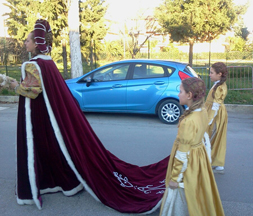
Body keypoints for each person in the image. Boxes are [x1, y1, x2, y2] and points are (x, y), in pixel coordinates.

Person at [10, 19, 171, 213]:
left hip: (40, 118)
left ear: (36, 43)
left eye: (27, 40)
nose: (25, 43)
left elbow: (31, 91)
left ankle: (50, 181)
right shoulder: (48, 62)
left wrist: (9, 84)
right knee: (56, 148)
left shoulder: (34, 65)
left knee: (47, 147)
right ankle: (63, 181)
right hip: (46, 117)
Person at [159, 77, 224, 216]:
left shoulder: (188, 121)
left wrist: (175, 178)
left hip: (189, 161)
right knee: (196, 189)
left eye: (180, 91)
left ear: (189, 95)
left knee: (183, 192)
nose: (178, 94)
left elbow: (182, 154)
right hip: (199, 157)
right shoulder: (202, 111)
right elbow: (203, 137)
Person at [204, 62, 228, 174]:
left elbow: (215, 105)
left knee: (214, 136)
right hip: (212, 111)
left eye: (212, 73)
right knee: (210, 136)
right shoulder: (217, 84)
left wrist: (208, 120)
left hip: (216, 114)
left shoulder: (220, 87)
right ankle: (212, 160)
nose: (210, 75)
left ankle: (216, 162)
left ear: (219, 74)